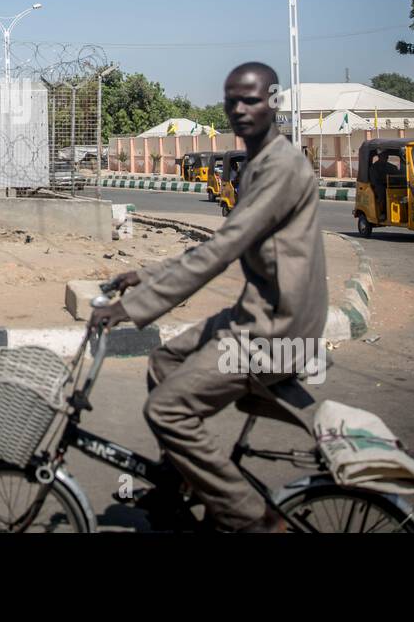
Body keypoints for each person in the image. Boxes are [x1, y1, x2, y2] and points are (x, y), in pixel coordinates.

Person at [89, 62, 328, 533]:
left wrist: (132, 309)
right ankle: (181, 484)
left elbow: (222, 250)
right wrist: (146, 274)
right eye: (231, 100)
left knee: (165, 410)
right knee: (164, 362)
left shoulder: (281, 166)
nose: (239, 109)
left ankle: (252, 520)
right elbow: (216, 245)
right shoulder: (258, 163)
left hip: (277, 328)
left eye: (251, 99)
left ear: (273, 103)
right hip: (257, 311)